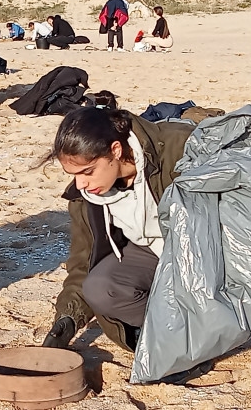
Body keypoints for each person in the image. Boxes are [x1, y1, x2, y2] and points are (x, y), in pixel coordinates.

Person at [39, 107, 208, 383]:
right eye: (74, 174)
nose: (81, 184)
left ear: (115, 150)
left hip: (205, 257)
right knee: (100, 287)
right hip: (153, 254)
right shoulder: (85, 196)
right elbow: (83, 260)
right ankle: (173, 341)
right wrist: (67, 320)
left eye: (88, 171)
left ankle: (199, 338)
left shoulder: (178, 149)